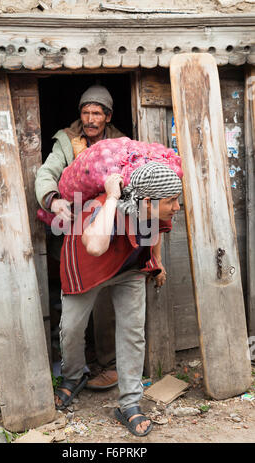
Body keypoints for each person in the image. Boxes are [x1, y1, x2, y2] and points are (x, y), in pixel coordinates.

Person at [54, 162, 182, 437]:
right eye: (172, 201)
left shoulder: (157, 209)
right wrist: (112, 196)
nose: (177, 207)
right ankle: (73, 376)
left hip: (129, 268)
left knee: (133, 332)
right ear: (147, 201)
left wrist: (155, 261)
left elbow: (157, 228)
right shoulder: (100, 207)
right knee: (72, 329)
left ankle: (129, 402)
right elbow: (96, 246)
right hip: (87, 266)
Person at [35, 84, 125, 389]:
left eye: (96, 113)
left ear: (107, 116)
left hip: (109, 226)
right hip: (74, 228)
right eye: (85, 112)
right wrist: (53, 199)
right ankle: (75, 368)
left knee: (105, 301)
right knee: (75, 295)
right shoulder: (66, 139)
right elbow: (47, 172)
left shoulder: (119, 141)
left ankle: (109, 364)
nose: (90, 118)